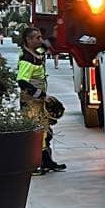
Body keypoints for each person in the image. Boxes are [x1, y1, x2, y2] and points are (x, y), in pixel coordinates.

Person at [16, 27, 66, 175]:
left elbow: (46, 45)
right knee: (37, 134)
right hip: (30, 103)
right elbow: (22, 82)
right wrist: (42, 96)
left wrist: (56, 31)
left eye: (40, 37)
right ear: (28, 40)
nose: (40, 40)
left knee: (46, 132)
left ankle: (47, 162)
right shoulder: (26, 59)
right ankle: (36, 164)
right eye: (37, 38)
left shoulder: (36, 53)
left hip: (37, 102)